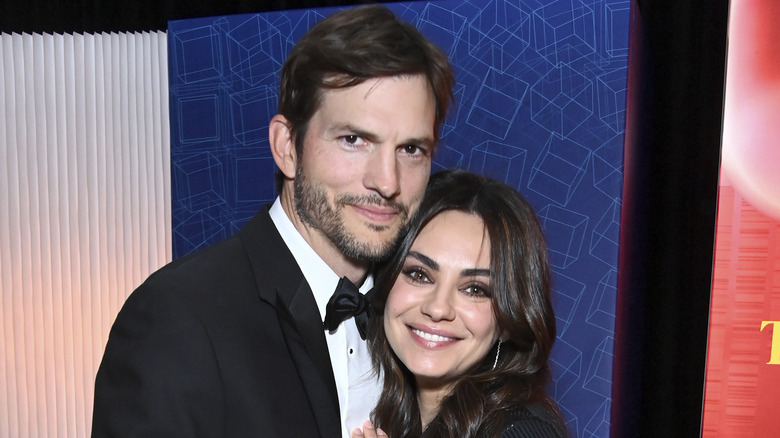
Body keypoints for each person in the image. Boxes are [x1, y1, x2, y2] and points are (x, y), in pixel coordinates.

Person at [92, 5, 454, 437]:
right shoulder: (180, 317)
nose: (387, 181)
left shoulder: (428, 320)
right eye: (354, 140)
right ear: (287, 147)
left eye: (411, 149)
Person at [353, 169, 568, 438]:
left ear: (508, 321)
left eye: (475, 289)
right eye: (419, 274)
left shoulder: (521, 431)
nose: (437, 308)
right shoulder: (388, 417)